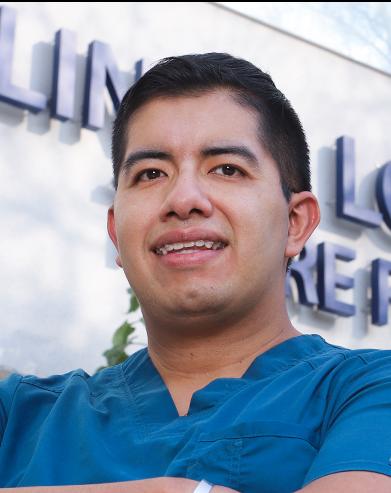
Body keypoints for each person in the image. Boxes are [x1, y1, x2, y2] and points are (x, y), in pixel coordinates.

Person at [0, 53, 390, 493]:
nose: (183, 198)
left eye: (227, 169)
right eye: (151, 173)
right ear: (115, 232)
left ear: (295, 222)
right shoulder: (19, 417)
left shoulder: (366, 391)